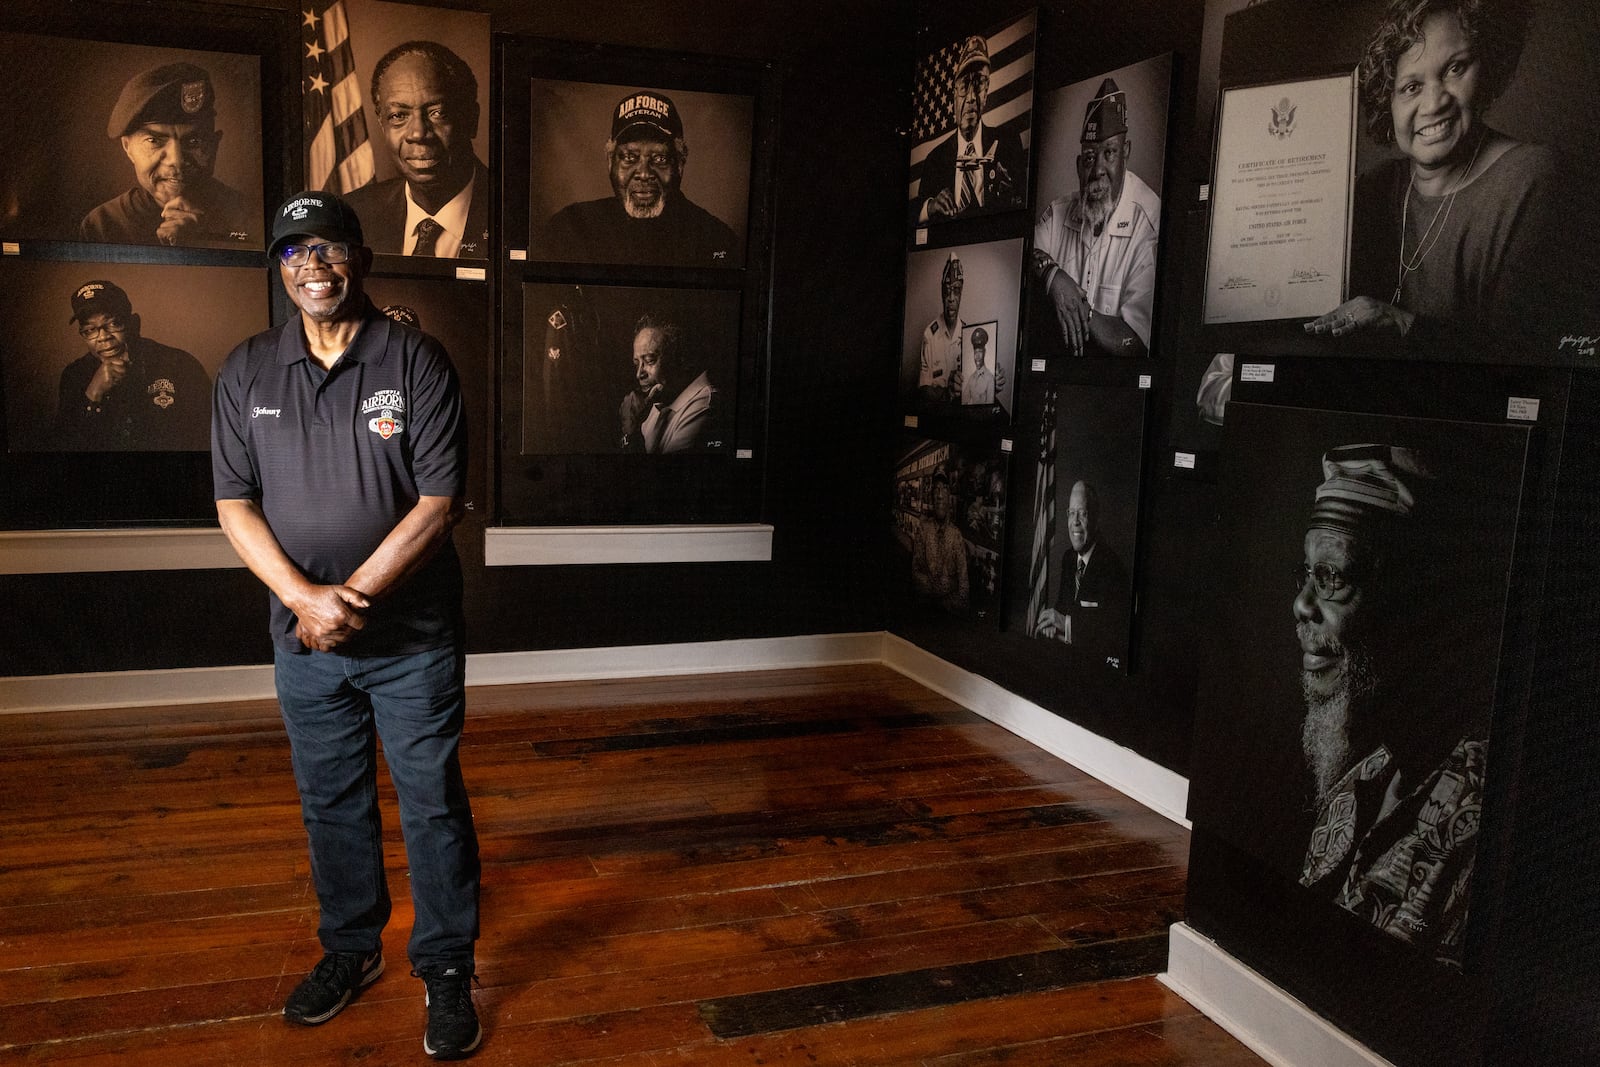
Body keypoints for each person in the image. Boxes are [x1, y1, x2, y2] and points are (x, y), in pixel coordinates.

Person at [211, 191, 483, 1059]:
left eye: (327, 249)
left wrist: (345, 601)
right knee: (331, 802)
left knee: (432, 802)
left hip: (412, 640)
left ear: (359, 259)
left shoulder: (417, 360)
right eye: (294, 253)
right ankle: (351, 950)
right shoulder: (247, 370)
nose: (312, 267)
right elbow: (233, 503)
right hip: (304, 640)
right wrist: (303, 600)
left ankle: (445, 967)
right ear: (280, 270)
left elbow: (439, 504)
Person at [1291, 444, 1484, 968]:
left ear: (1413, 603)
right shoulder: (1359, 782)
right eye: (1307, 574)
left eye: (1334, 578)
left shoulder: (1477, 814)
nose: (1302, 605)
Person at [1302, 0, 1572, 353]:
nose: (1433, 104)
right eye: (1410, 87)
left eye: (1455, 68)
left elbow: (1525, 357)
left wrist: (1403, 324)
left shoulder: (1532, 178)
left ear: (1487, 67)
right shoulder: (1371, 190)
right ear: (1388, 102)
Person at [1032, 78, 1161, 357]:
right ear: (1079, 166)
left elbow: (1137, 342)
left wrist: (1080, 312)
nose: (1098, 170)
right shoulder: (1058, 211)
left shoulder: (1150, 221)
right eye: (1090, 158)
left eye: (1109, 153)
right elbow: (1024, 255)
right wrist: (1052, 275)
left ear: (1125, 154)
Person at [542, 90, 739, 266]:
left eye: (660, 158)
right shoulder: (569, 230)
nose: (644, 173)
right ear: (610, 161)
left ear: (679, 163)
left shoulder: (716, 239)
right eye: (629, 157)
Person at [80, 63, 254, 248]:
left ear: (214, 145)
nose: (176, 161)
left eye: (194, 142)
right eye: (154, 141)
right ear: (127, 147)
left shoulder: (249, 215)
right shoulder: (103, 224)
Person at [344, 42, 489, 259]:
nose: (418, 134)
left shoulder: (519, 217)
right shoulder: (353, 216)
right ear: (382, 125)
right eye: (398, 116)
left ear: (472, 120)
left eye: (438, 113)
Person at [53, 279, 211, 451]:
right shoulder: (74, 376)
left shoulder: (180, 365)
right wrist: (93, 395)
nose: (103, 337)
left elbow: (207, 437)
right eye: (90, 330)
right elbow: (64, 447)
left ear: (134, 323)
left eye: (114, 323)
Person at [916, 35, 1025, 223]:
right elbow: (915, 220)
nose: (971, 97)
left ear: (987, 90)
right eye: (965, 86)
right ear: (954, 95)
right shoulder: (934, 159)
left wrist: (1012, 196)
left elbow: (1021, 203)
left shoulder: (1008, 143)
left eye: (979, 84)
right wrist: (931, 206)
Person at [1035, 480, 1130, 663]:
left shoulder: (1112, 569)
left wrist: (1064, 623)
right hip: (1064, 661)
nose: (1075, 522)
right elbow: (1063, 608)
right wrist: (1051, 625)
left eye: (1082, 513)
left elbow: (1112, 635)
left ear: (1095, 519)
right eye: (1071, 513)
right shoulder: (1069, 559)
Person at [617, 314, 717, 453]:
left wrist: (630, 430)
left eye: (650, 360)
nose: (639, 374)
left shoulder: (704, 406)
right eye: (637, 364)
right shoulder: (660, 400)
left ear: (680, 359)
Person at [910, 471, 969, 611]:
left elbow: (964, 587)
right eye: (936, 489)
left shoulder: (956, 536)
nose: (940, 495)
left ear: (950, 497)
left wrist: (947, 603)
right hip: (925, 614)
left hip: (949, 618)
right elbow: (915, 573)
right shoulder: (923, 530)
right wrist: (936, 587)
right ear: (932, 498)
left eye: (944, 489)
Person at [962, 326, 995, 406]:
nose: (977, 356)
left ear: (985, 352)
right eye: (975, 352)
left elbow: (989, 409)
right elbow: (963, 401)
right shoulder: (971, 378)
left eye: (980, 352)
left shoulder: (990, 379)